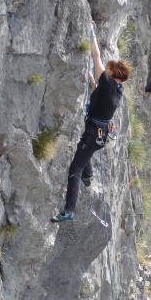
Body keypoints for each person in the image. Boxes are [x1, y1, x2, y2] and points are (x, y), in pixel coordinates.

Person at [51, 26, 131, 222]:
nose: (106, 70)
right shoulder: (118, 89)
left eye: (108, 69)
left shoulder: (107, 80)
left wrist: (92, 35)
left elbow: (96, 57)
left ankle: (69, 210)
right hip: (98, 135)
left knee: (74, 169)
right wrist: (92, 85)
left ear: (111, 73)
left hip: (93, 133)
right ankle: (88, 176)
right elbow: (101, 97)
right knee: (85, 152)